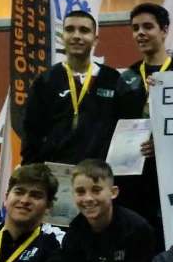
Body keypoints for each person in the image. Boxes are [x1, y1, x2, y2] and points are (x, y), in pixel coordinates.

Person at [22, 10, 125, 164]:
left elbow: (125, 129)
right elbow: (31, 134)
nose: (76, 36)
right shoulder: (45, 81)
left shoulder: (113, 79)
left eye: (84, 30)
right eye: (70, 30)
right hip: (56, 176)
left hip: (99, 177)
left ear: (95, 40)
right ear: (62, 37)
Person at [117, 2, 173, 241]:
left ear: (164, 30)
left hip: (171, 178)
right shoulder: (125, 79)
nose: (140, 33)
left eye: (147, 26)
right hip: (133, 180)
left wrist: (163, 144)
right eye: (135, 28)